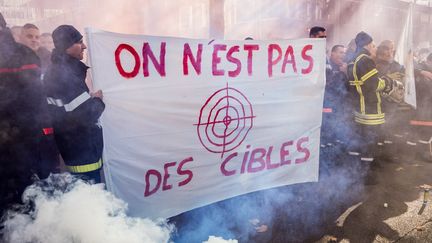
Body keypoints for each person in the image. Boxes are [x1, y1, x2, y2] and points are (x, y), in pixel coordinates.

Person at [0, 13, 57, 213]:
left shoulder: (22, 56)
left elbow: (35, 101)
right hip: (23, 144)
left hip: (20, 144)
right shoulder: (24, 54)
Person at [44, 25, 105, 183]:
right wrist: (98, 100)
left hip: (77, 148)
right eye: (79, 42)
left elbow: (72, 108)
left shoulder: (62, 70)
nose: (84, 46)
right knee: (90, 195)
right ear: (66, 46)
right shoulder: (64, 74)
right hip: (81, 151)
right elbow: (85, 114)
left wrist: (88, 99)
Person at [346, 32, 397, 164]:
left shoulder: (353, 60)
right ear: (368, 45)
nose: (375, 48)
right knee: (369, 142)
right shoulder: (365, 60)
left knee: (362, 139)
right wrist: (388, 83)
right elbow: (373, 83)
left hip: (359, 105)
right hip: (370, 107)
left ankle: (357, 170)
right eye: (373, 45)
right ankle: (367, 174)